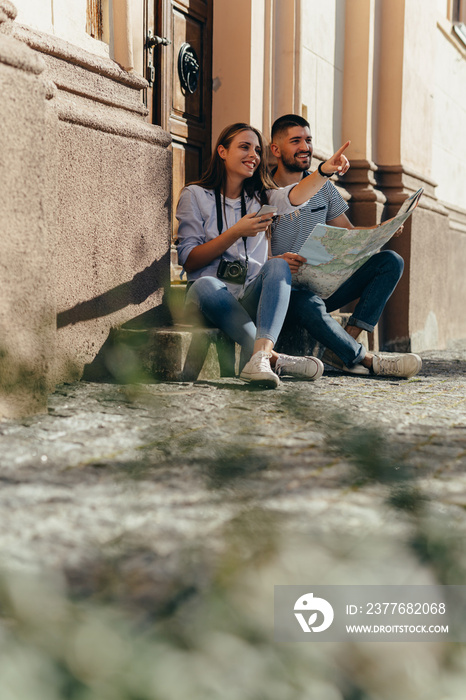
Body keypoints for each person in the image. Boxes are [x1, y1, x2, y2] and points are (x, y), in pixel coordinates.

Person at [176, 122, 351, 388]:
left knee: (278, 267)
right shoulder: (195, 195)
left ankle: (260, 357)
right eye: (244, 147)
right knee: (207, 284)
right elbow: (190, 260)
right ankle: (273, 359)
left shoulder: (262, 197)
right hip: (208, 298)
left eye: (257, 150)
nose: (254, 155)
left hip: (248, 296)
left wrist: (325, 170)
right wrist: (236, 231)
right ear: (222, 152)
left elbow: (295, 196)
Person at [269, 114, 422, 379]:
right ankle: (364, 358)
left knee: (390, 261)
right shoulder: (262, 190)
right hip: (287, 293)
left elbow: (348, 232)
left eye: (308, 139)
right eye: (295, 141)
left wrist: (381, 229)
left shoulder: (324, 188)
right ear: (276, 149)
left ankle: (342, 347)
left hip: (324, 284)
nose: (305, 146)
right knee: (309, 303)